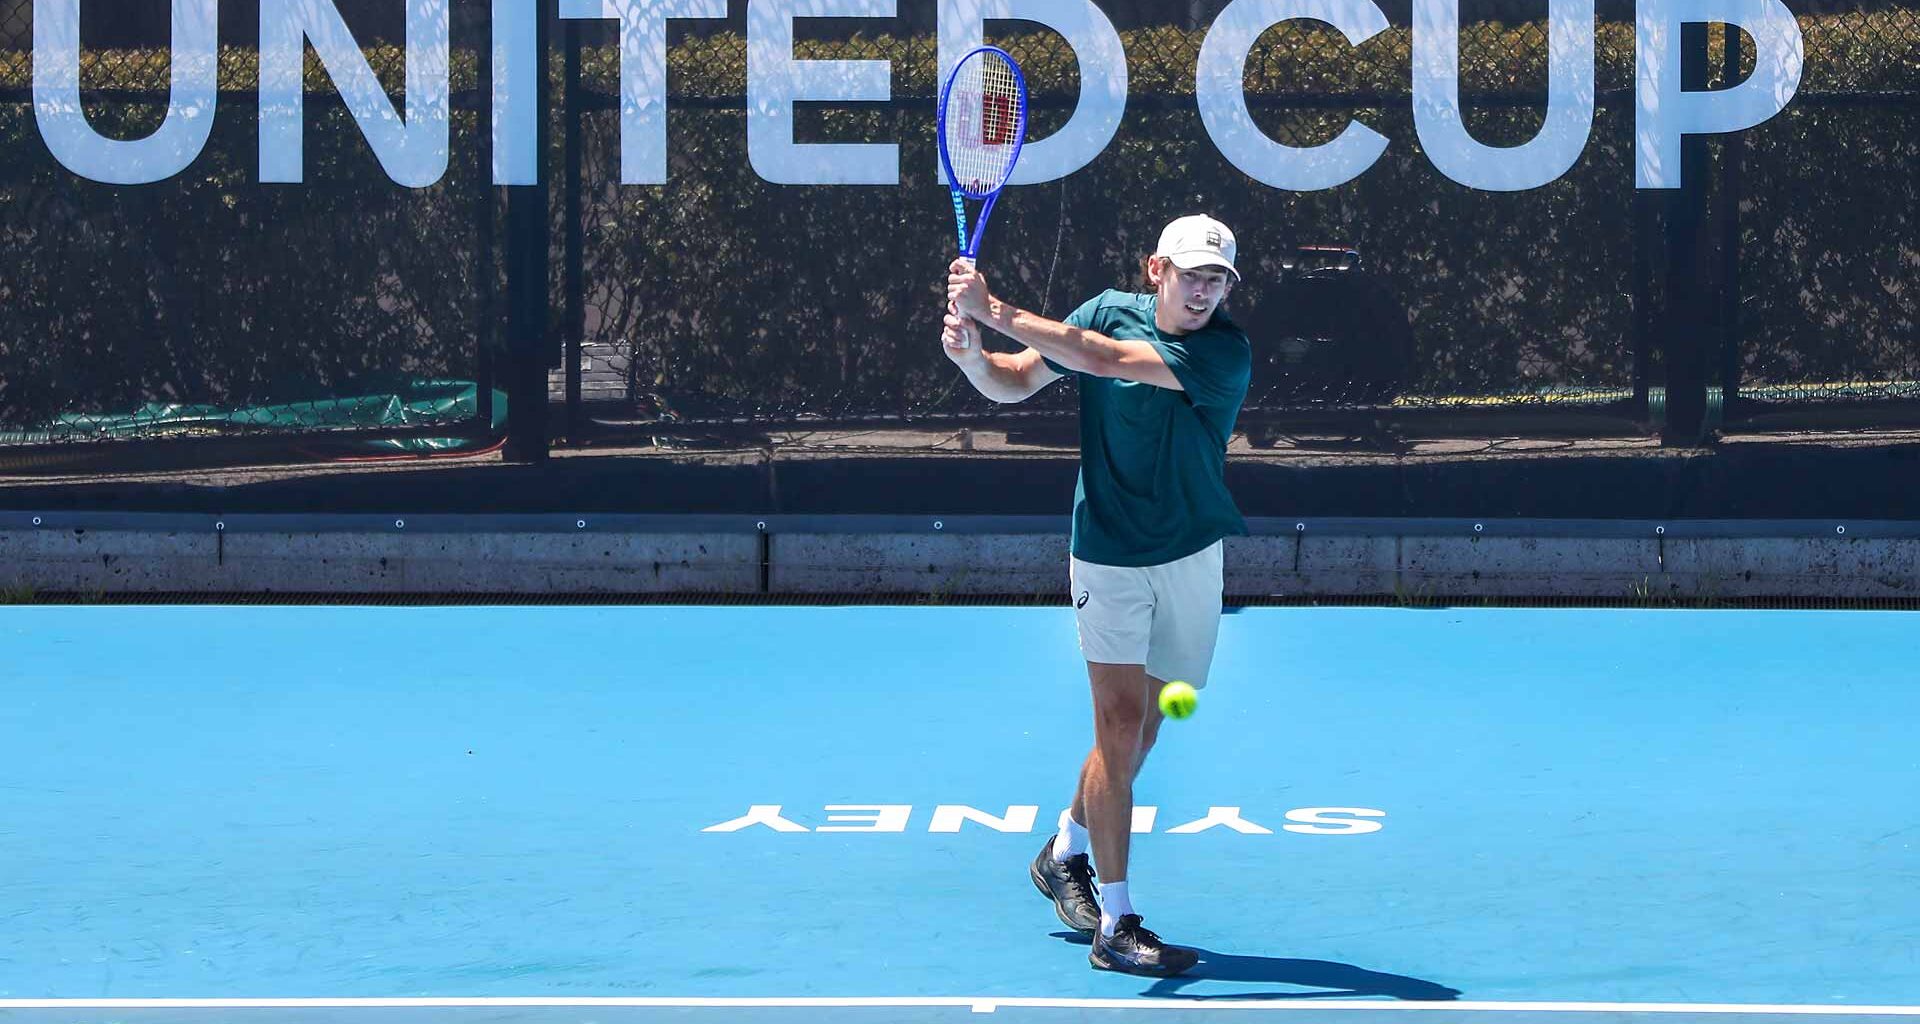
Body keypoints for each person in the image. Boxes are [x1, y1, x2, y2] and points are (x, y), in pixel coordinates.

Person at [942, 214, 1252, 977]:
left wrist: (997, 309)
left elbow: (1108, 359)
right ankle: (1116, 923)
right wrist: (973, 357)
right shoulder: (1101, 308)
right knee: (1117, 725)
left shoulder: (1223, 352)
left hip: (1190, 555)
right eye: (1192, 273)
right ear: (1157, 270)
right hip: (1107, 553)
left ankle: (1063, 850)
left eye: (1218, 277)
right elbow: (1014, 382)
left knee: (1144, 733)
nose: (1205, 288)